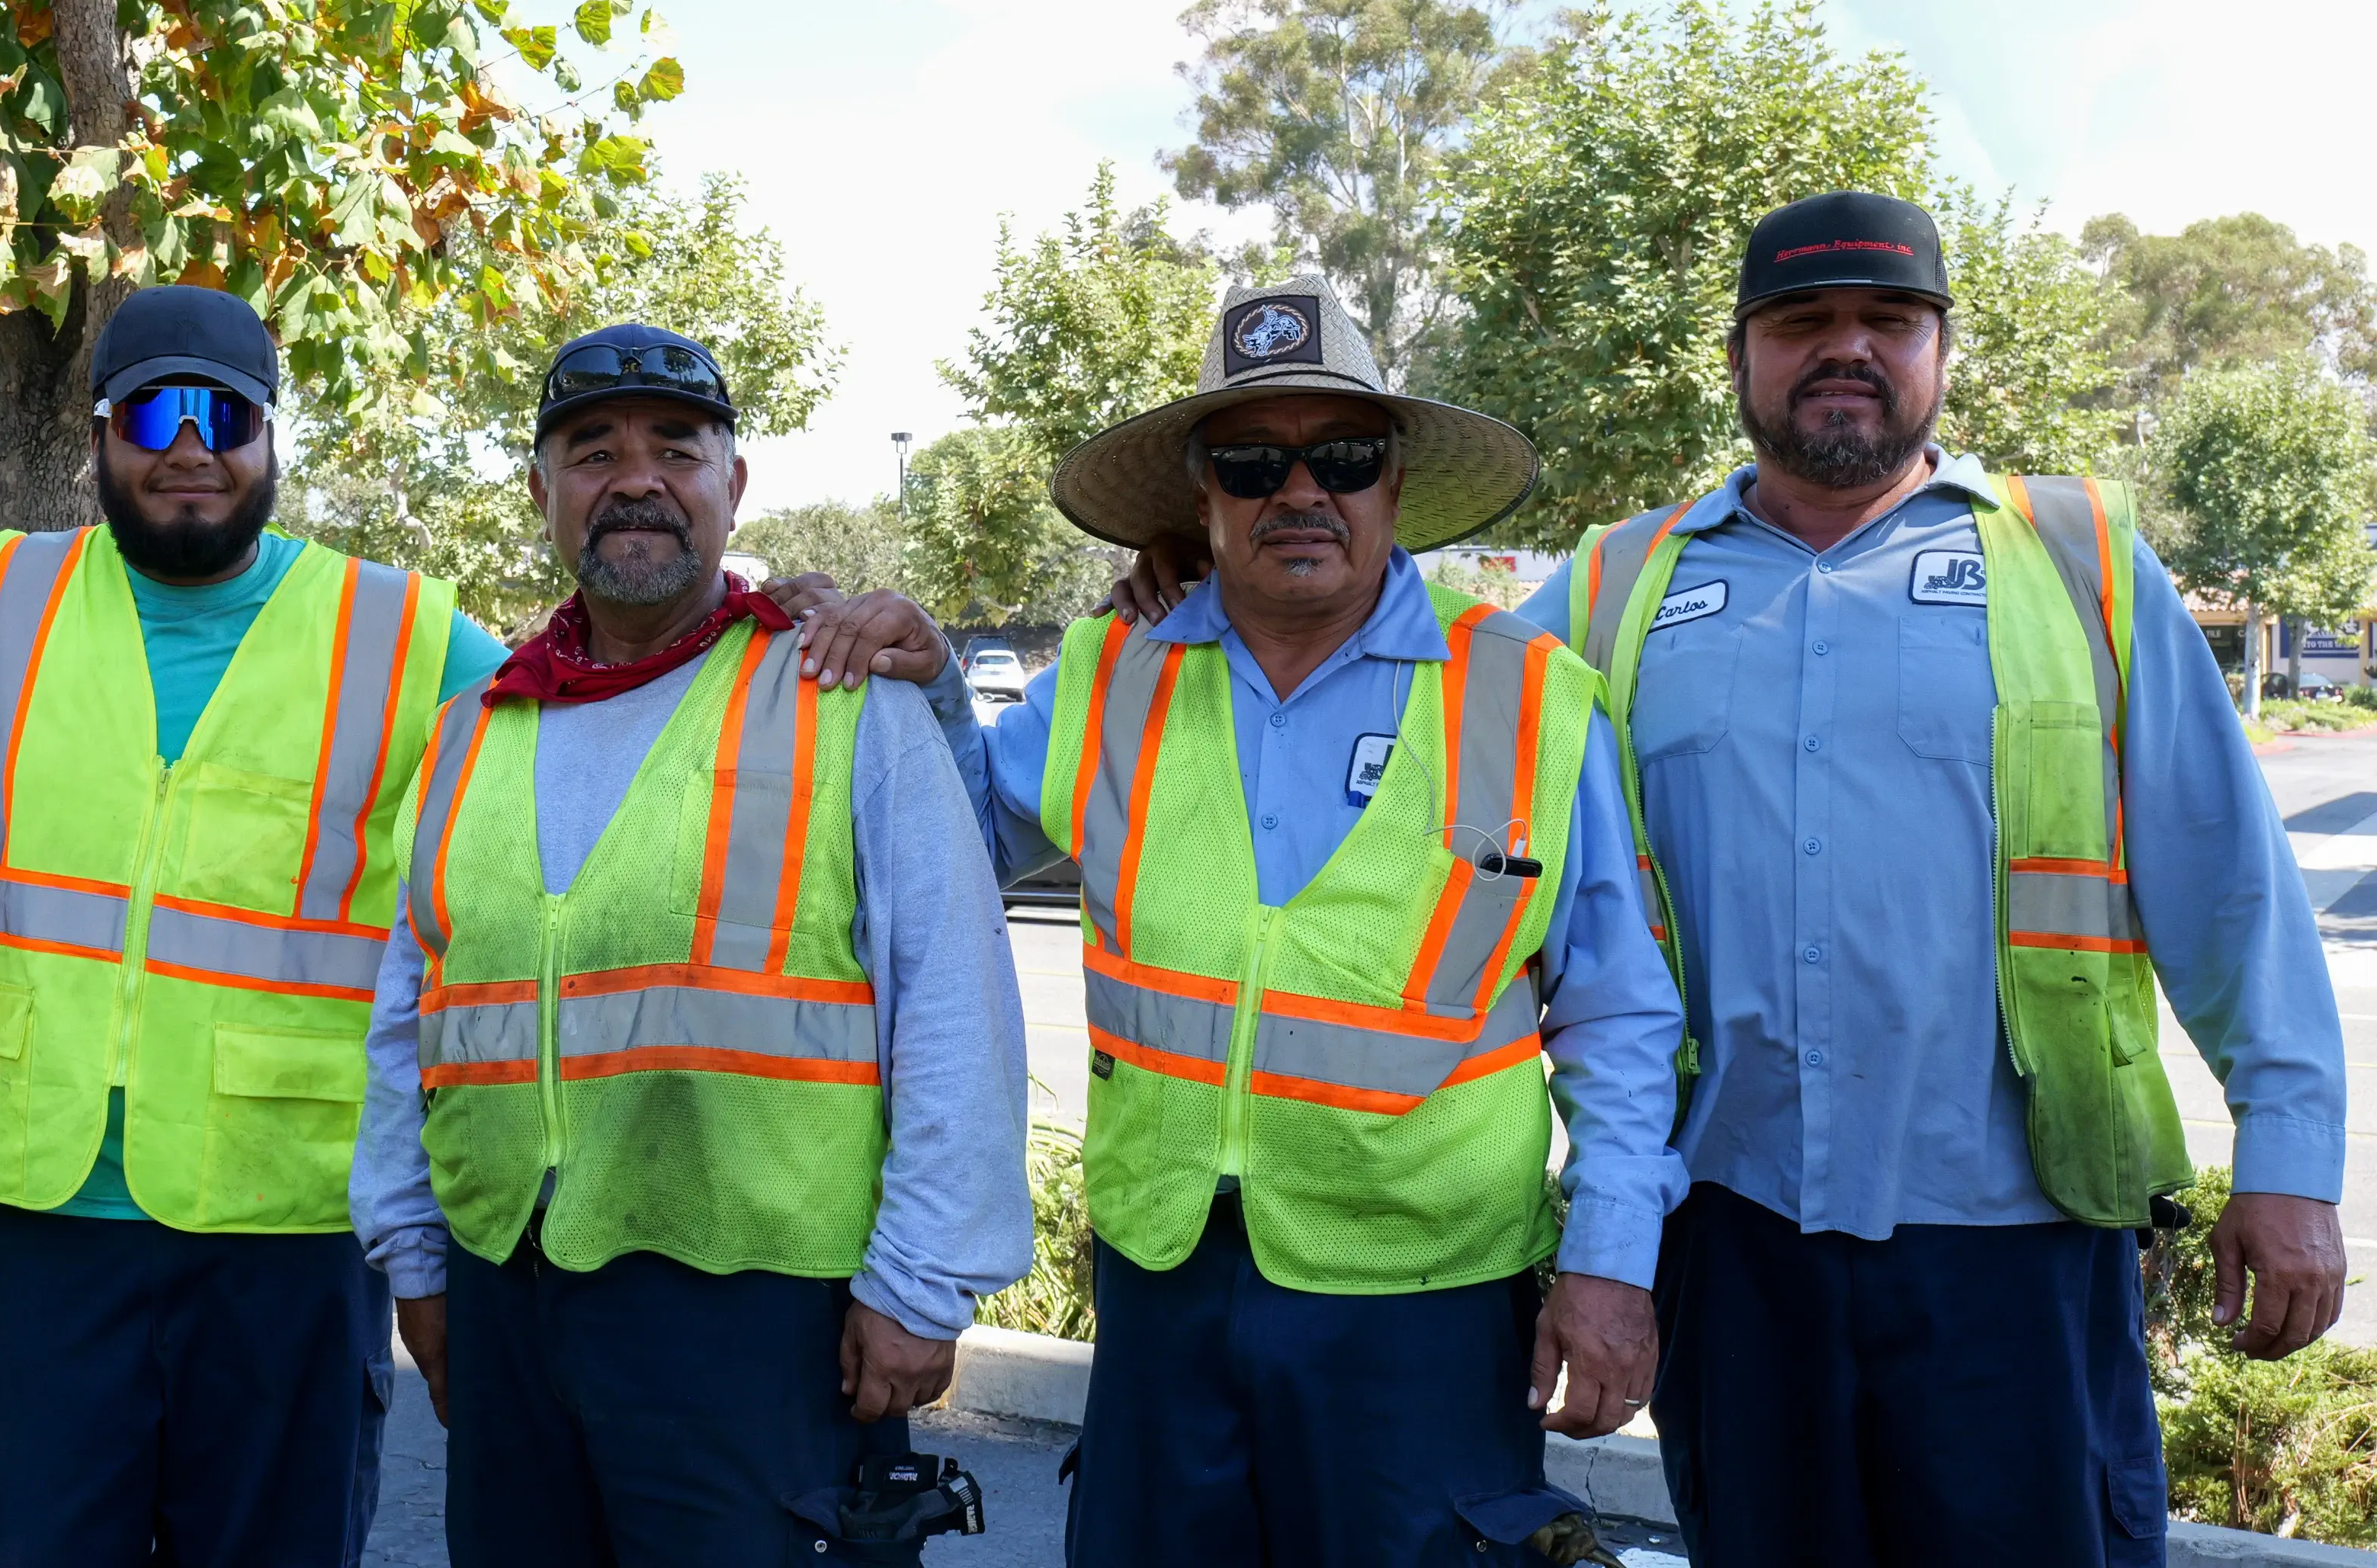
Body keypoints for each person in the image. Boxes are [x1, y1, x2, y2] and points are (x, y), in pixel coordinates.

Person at [0, 295, 916, 1565]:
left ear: (274, 439)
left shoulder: (399, 635)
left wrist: (797, 611)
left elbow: (618, 663)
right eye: (152, 417)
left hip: (283, 1248)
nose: (191, 443)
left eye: (227, 413)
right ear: (99, 441)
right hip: (40, 1248)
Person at [1538, 193, 2347, 1566]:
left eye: (1888, 321)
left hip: (2013, 1246)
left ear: (1940, 354)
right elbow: (1425, 695)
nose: (1845, 349)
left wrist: (2289, 1157)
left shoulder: (2078, 565)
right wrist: (1208, 563)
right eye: (1802, 323)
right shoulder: (1612, 588)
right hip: (1734, 1240)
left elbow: (2228, 883)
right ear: (1740, 357)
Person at [969, 276, 1691, 1566]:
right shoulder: (1105, 676)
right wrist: (867, 657)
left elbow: (1618, 1014)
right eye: (1252, 462)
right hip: (1165, 1286)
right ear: (1203, 498)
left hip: (1425, 1312)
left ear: (1394, 483)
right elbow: (930, 850)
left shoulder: (1530, 699)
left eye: (1341, 457)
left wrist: (1611, 1261)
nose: (1299, 492)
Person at [350, 326, 1035, 1566]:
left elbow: (954, 997)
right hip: (510, 1294)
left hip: (764, 1316)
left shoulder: (842, 700)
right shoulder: (474, 730)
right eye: (592, 451)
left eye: (677, 448)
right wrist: (413, 1252)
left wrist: (923, 1281)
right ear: (541, 492)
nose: (637, 478)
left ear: (733, 485)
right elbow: (415, 1012)